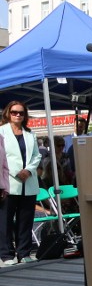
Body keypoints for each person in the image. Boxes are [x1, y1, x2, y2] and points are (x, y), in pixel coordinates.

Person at [0, 101, 42, 265]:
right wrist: (16, 171)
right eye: (14, 112)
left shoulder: (30, 134)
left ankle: (24, 252)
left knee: (26, 219)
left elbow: (37, 156)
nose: (17, 115)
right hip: (8, 181)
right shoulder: (1, 132)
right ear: (8, 114)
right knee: (5, 220)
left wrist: (29, 170)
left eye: (21, 113)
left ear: (25, 115)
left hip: (28, 182)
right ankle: (7, 254)